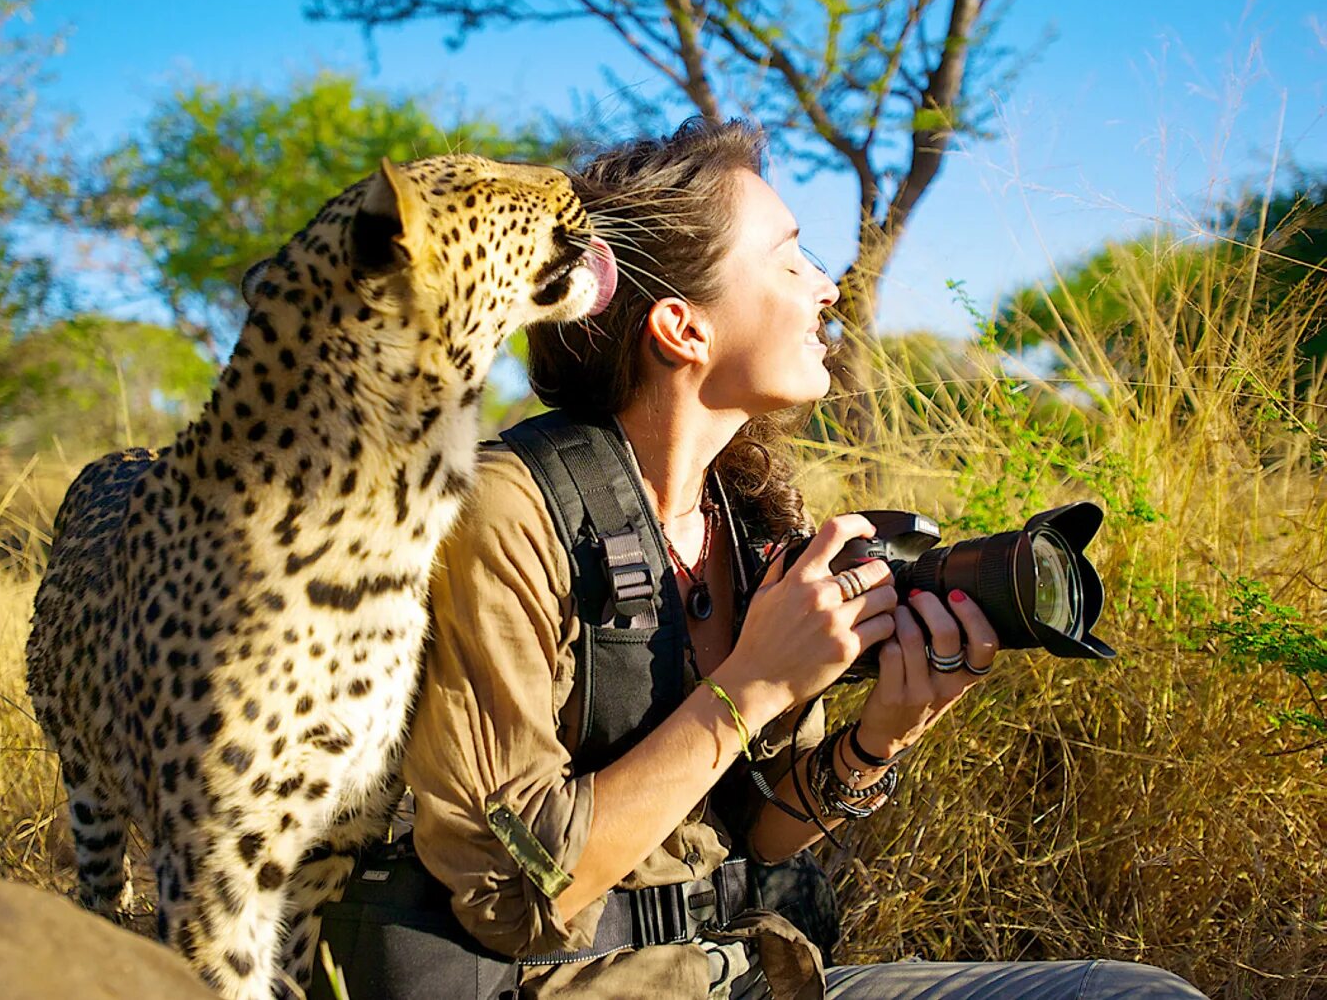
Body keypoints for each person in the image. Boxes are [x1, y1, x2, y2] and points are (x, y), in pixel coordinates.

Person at [392, 119, 1208, 999]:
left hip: (736, 972)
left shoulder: (741, 519)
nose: (826, 287)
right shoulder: (504, 509)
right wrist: (757, 685)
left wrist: (877, 737)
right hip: (548, 983)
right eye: (790, 260)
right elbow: (511, 895)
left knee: (1134, 991)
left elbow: (756, 835)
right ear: (682, 328)